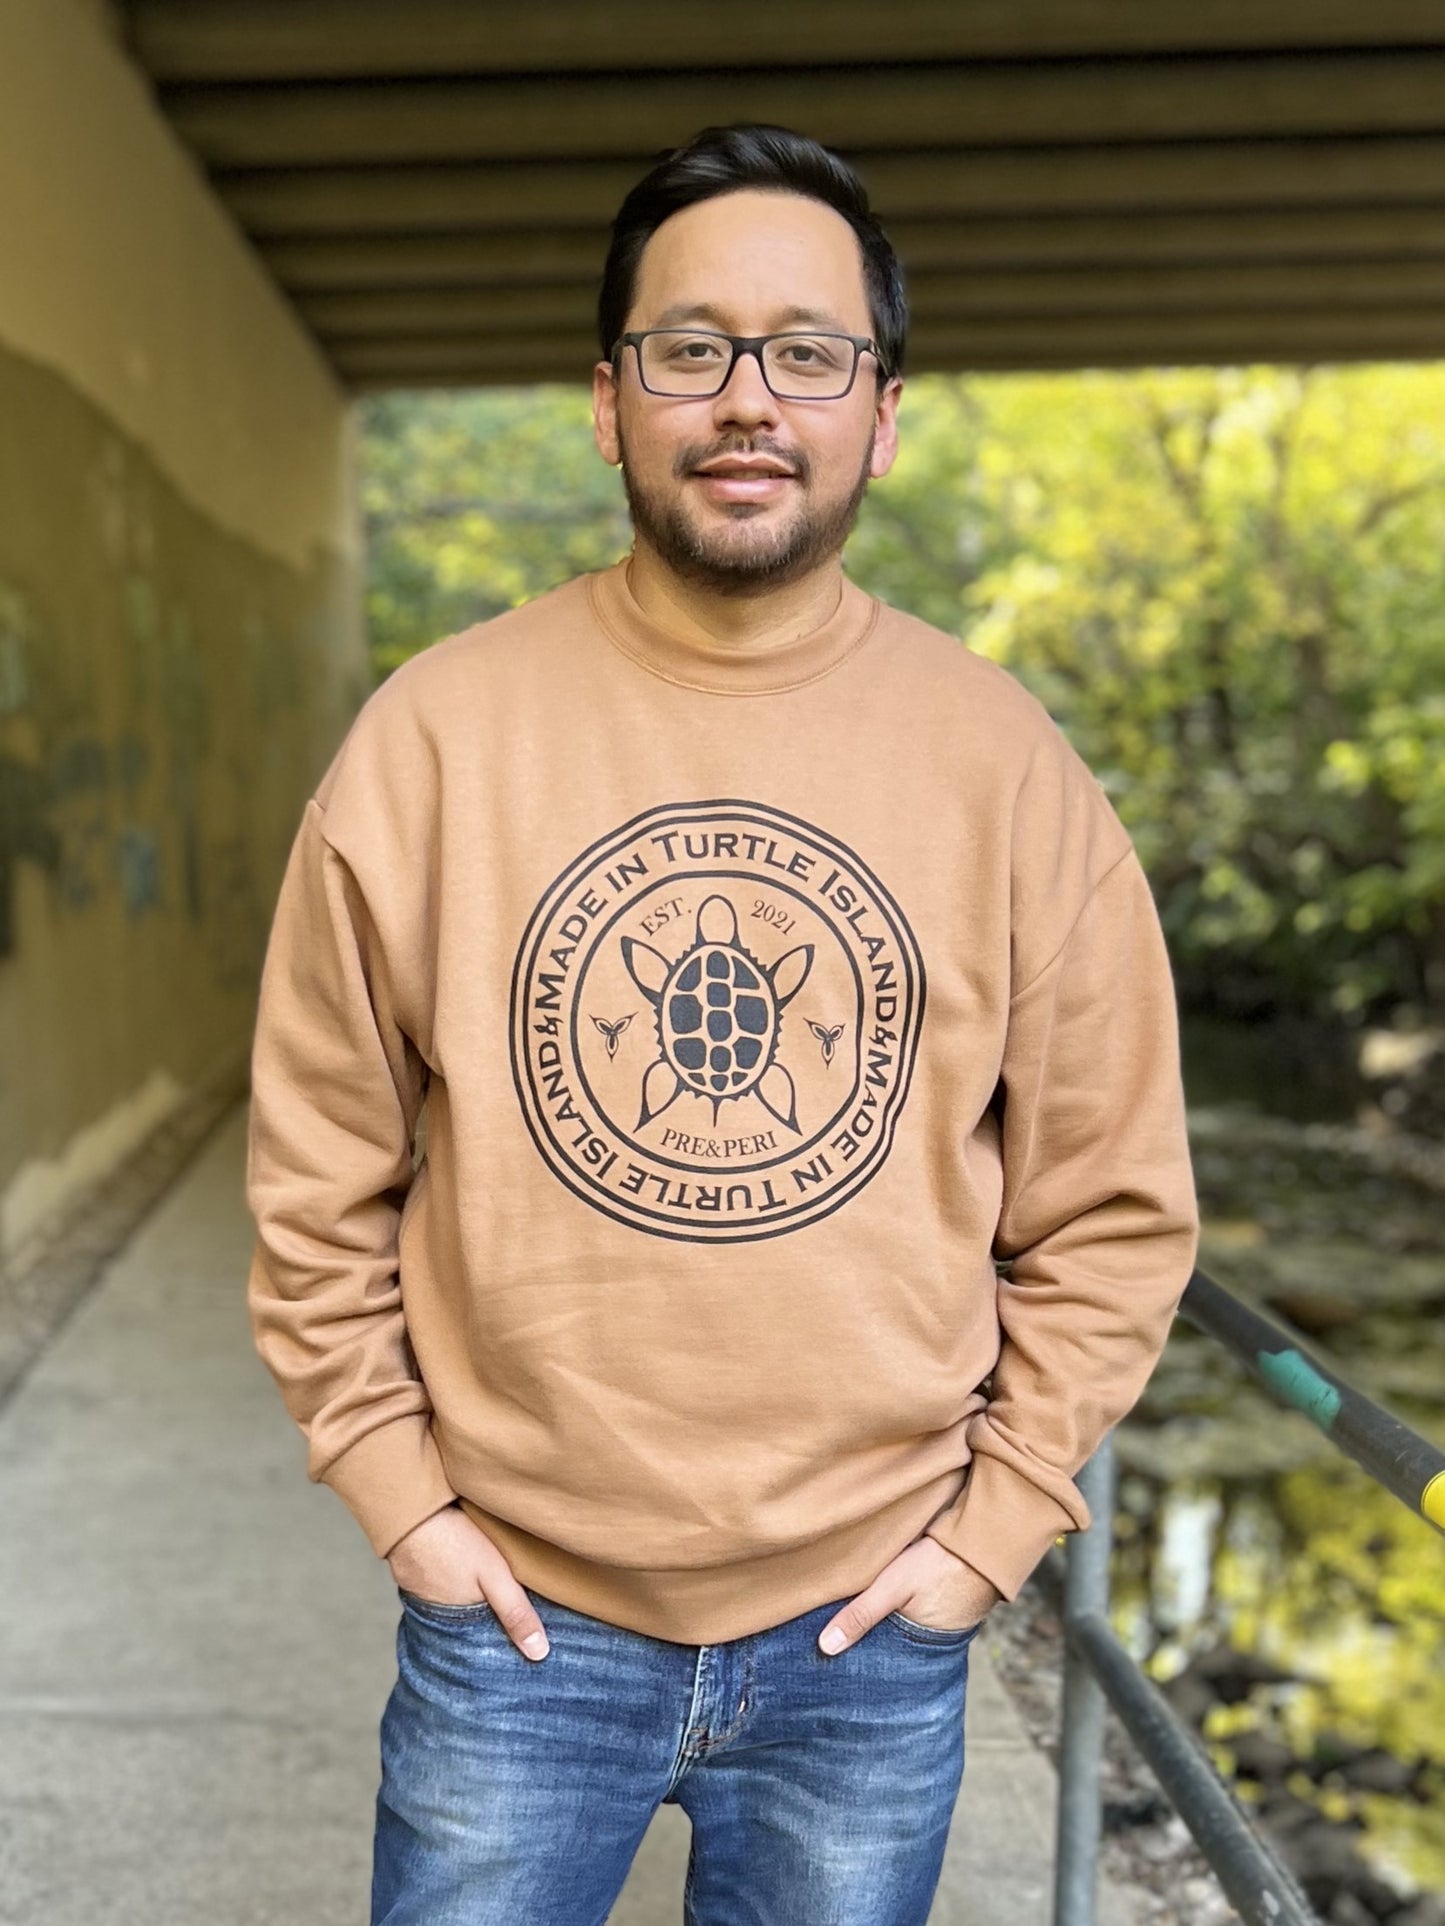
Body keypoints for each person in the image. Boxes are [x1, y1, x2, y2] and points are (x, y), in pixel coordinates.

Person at [244, 122, 1199, 1926]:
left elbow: (1115, 1208)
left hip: (869, 1632)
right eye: (689, 348)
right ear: (608, 402)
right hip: (514, 1625)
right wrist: (405, 1502)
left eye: (807, 351)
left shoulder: (1003, 767)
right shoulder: (433, 741)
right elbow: (314, 1180)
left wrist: (984, 1538)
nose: (746, 396)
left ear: (880, 412)